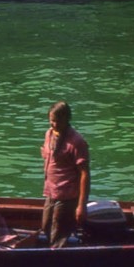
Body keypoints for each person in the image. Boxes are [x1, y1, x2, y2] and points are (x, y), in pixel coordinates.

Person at [39, 100, 89, 248]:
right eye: (51, 120)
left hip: (67, 195)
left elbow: (85, 174)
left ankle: (56, 263)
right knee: (46, 227)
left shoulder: (76, 142)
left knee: (58, 235)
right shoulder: (49, 134)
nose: (53, 124)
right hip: (50, 191)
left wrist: (81, 205)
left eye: (57, 121)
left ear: (67, 119)